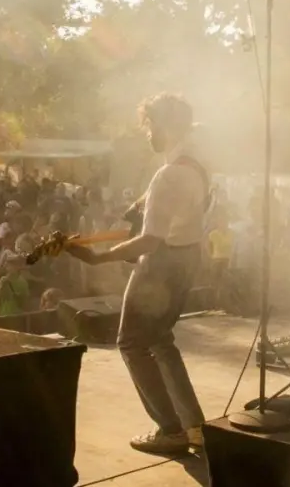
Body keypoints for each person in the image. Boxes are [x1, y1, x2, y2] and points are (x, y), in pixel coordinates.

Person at [64, 93, 208, 455]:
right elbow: (163, 203)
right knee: (161, 339)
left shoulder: (168, 176)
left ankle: (169, 428)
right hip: (187, 258)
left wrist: (100, 258)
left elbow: (149, 240)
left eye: (149, 124)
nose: (147, 133)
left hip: (160, 265)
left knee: (130, 342)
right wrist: (139, 204)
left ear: (166, 125)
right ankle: (194, 426)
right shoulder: (196, 165)